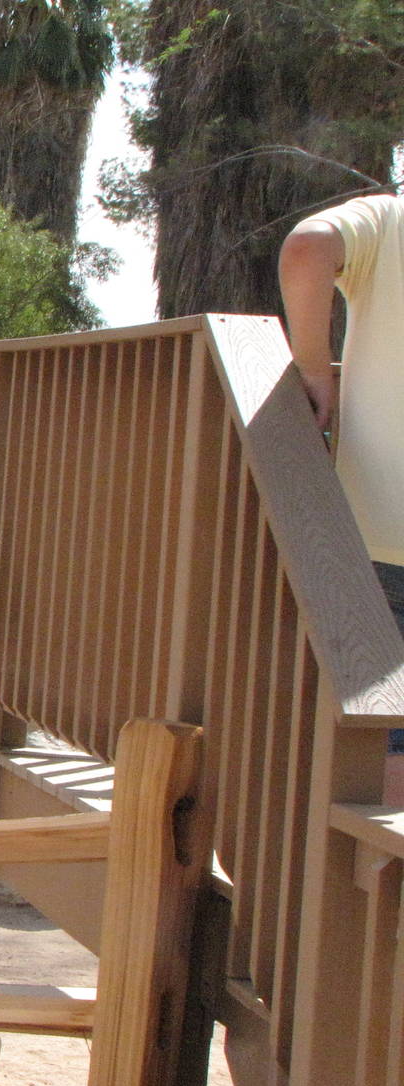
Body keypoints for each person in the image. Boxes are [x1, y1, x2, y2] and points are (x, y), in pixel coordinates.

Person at [279, 192, 404, 799]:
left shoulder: (390, 221)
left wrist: (312, 368)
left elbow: (307, 249)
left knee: (385, 742)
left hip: (384, 537)